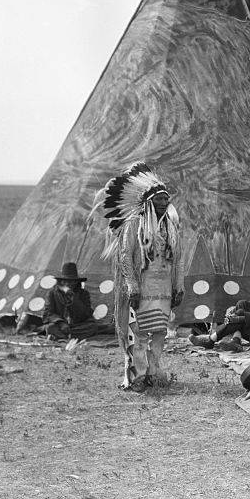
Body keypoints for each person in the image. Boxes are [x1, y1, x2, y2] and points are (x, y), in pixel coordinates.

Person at [98, 162, 184, 392]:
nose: (164, 203)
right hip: (143, 287)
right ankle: (138, 375)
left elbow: (178, 259)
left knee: (159, 331)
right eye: (159, 200)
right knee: (139, 332)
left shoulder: (171, 226)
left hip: (164, 287)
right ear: (148, 202)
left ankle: (154, 372)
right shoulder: (134, 225)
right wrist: (132, 287)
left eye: (166, 199)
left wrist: (179, 286)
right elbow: (125, 257)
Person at [190, 256, 250, 350]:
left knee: (240, 314)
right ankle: (236, 340)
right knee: (242, 304)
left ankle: (211, 339)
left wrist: (240, 317)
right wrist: (234, 312)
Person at [37, 262, 110, 340]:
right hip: (60, 325)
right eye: (66, 281)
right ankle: (66, 335)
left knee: (92, 327)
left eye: (72, 281)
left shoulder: (83, 294)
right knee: (50, 327)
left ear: (76, 282)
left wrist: (75, 299)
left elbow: (87, 314)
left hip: (77, 325)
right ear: (61, 282)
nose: (69, 284)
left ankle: (64, 336)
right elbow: (48, 313)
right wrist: (61, 323)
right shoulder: (52, 293)